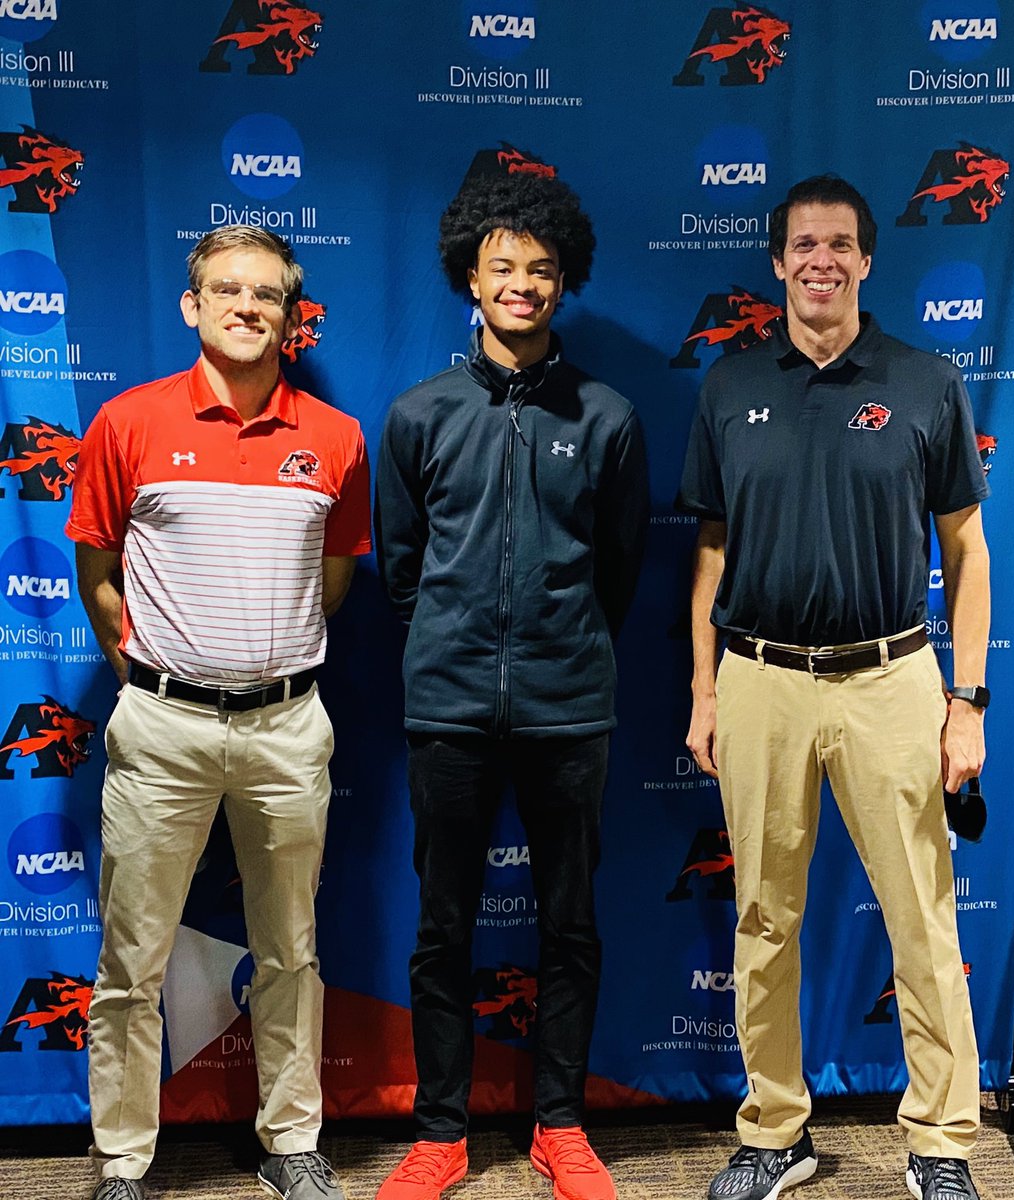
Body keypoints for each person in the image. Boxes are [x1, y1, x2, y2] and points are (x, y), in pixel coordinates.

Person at [679, 175, 990, 1200]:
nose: (820, 261)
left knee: (921, 918)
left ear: (865, 260)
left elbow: (967, 549)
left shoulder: (923, 380)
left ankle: (942, 1145)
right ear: (776, 264)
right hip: (760, 678)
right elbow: (710, 557)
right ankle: (775, 1132)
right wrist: (703, 692)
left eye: (839, 245)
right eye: (802, 245)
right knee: (763, 918)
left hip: (892, 678)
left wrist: (966, 701)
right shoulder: (728, 385)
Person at [66, 225, 371, 1200]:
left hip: (287, 728)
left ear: (291, 314)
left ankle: (291, 1143)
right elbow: (99, 572)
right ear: (192, 305)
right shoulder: (127, 423)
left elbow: (330, 583)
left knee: (290, 949)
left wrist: (259, 660)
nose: (248, 307)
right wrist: (164, 673)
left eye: (268, 295)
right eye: (227, 290)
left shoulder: (335, 438)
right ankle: (123, 1159)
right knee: (132, 959)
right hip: (162, 730)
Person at [374, 173, 649, 1200]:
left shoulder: (609, 417)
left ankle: (560, 1126)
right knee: (443, 926)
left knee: (568, 924)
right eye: (503, 266)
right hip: (446, 709)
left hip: (569, 708)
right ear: (470, 278)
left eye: (540, 268)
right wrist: (455, 646)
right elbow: (402, 568)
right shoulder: (418, 415)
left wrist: (557, 644)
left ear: (563, 279)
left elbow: (618, 569)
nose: (521, 284)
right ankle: (441, 1133)